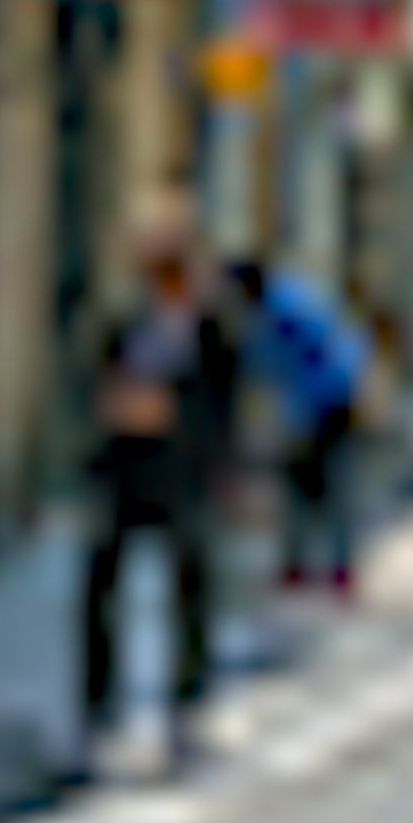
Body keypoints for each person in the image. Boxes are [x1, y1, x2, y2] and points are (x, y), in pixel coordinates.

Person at [78, 215, 242, 774]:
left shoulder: (216, 332)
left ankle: (187, 708)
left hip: (184, 477)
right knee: (101, 593)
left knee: (191, 595)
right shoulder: (123, 326)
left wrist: (186, 430)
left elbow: (226, 410)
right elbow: (94, 387)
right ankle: (100, 711)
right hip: (124, 473)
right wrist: (113, 411)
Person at [235, 258, 373, 598]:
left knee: (322, 487)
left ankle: (334, 567)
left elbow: (284, 362)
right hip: (326, 401)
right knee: (310, 489)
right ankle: (310, 565)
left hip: (326, 405)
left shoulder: (281, 311)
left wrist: (294, 420)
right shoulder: (290, 299)